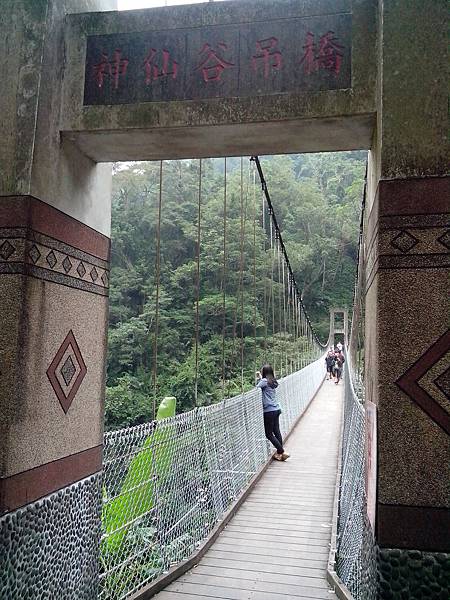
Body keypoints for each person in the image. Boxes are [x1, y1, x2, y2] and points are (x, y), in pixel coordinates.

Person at [256, 365, 289, 461]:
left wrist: (258, 379)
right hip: (277, 409)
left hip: (269, 411)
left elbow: (256, 388)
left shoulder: (264, 381)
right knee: (276, 430)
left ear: (264, 372)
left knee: (269, 434)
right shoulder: (273, 381)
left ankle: (282, 451)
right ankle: (280, 454)